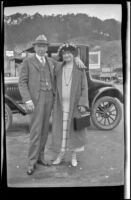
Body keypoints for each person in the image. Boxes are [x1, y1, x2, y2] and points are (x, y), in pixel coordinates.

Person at [18, 35, 86, 175]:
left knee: (44, 131)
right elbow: (22, 82)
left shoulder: (51, 61)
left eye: (44, 46)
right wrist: (27, 100)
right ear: (35, 47)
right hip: (35, 101)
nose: (41, 49)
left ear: (46, 48)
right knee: (35, 131)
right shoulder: (27, 61)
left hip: (50, 99)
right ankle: (32, 162)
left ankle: (41, 157)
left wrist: (77, 58)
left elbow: (67, 60)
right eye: (39, 46)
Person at [51, 43, 89, 167]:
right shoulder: (58, 67)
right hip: (61, 106)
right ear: (62, 55)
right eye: (64, 53)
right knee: (61, 132)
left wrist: (83, 104)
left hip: (74, 106)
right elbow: (48, 59)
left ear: (73, 54)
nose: (67, 55)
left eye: (69, 53)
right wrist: (77, 57)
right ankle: (61, 155)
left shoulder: (80, 69)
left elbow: (84, 88)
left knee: (74, 132)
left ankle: (73, 157)